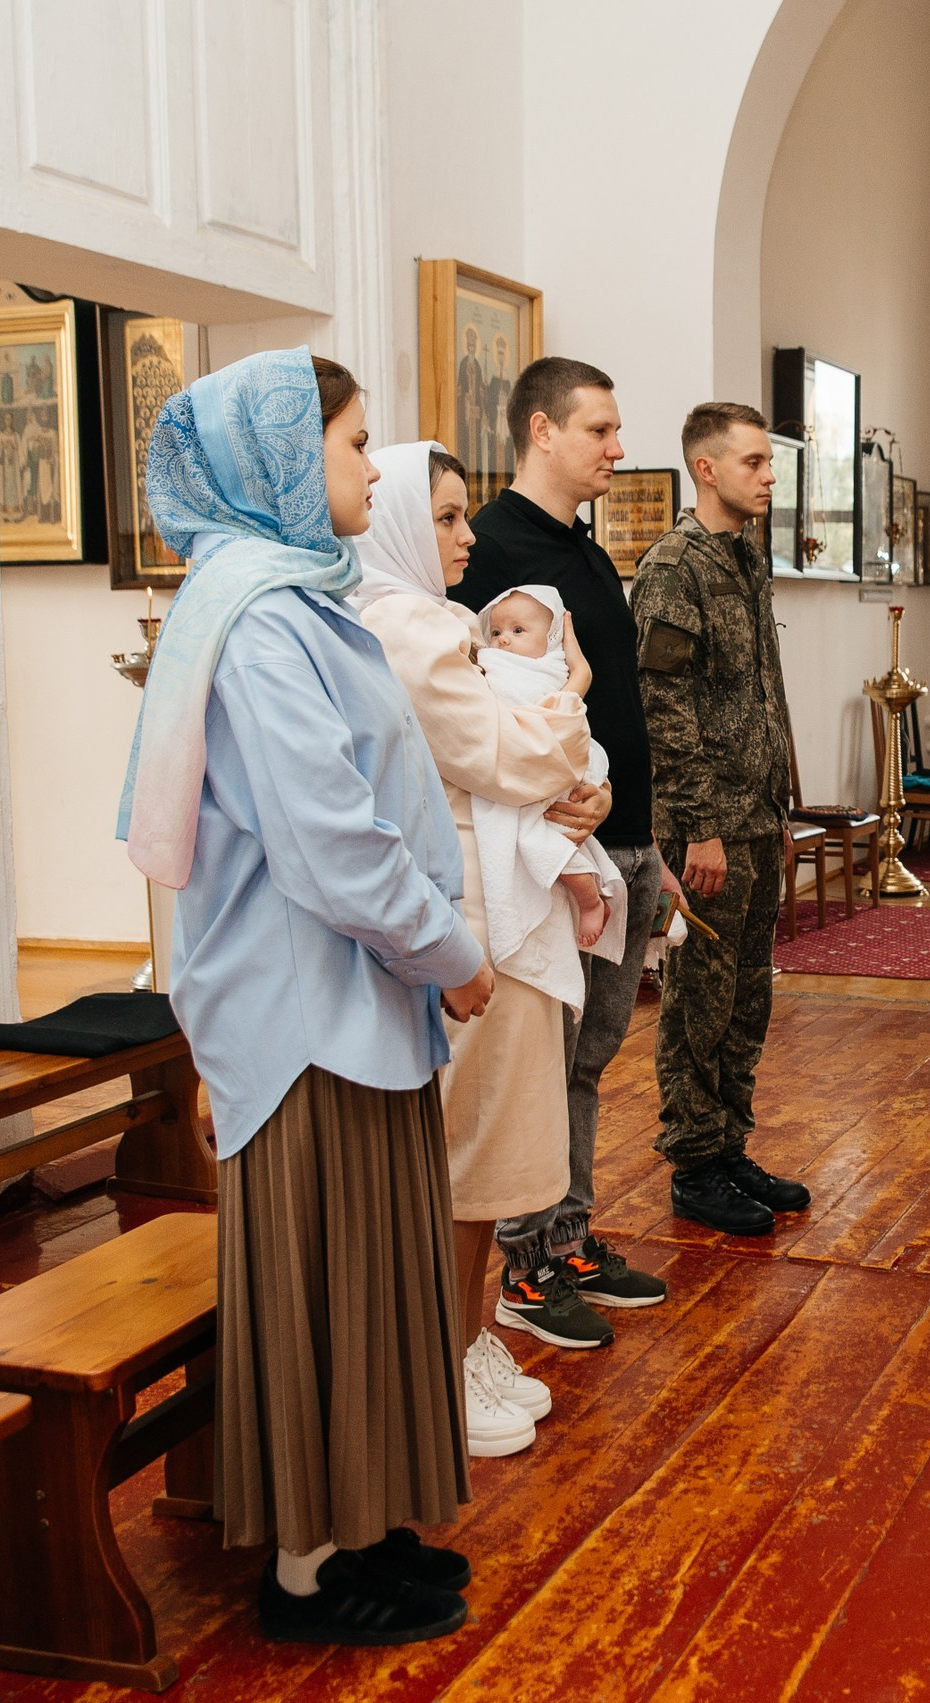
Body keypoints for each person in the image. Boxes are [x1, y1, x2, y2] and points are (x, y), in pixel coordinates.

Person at [117, 351, 485, 1644]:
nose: (369, 469)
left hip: (356, 1001)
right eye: (350, 446)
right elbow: (332, 844)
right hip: (306, 1007)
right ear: (281, 461)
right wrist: (452, 950)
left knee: (375, 1268)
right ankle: (303, 1569)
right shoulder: (262, 618)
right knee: (323, 1278)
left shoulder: (295, 598)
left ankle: (369, 1515)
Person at [349, 439, 605, 1460]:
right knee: (471, 1154)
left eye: (464, 516)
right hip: (469, 907)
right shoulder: (405, 624)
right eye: (447, 518)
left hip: (495, 897)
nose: (467, 537)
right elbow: (507, 754)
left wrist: (574, 780)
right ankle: (444, 1353)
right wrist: (570, 693)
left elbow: (533, 768)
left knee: (493, 1150)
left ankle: (469, 1336)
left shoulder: (444, 622)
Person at [460, 357, 674, 1346]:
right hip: (552, 850)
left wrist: (648, 840)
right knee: (536, 1062)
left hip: (619, 841)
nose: (617, 450)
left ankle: (568, 1234)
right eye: (600, 430)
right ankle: (523, 1263)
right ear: (542, 431)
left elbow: (606, 704)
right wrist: (565, 816)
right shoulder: (489, 549)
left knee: (587, 1059)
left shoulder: (585, 553)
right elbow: (488, 714)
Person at [632, 402, 811, 1235]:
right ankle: (694, 1162)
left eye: (769, 463)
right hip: (706, 827)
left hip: (754, 813)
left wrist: (777, 805)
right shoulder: (676, 566)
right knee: (698, 999)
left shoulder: (747, 553)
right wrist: (698, 826)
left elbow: (760, 688)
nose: (770, 476)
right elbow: (663, 706)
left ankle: (729, 1140)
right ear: (707, 469)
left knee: (747, 996)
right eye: (753, 463)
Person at [472, 586, 623, 958]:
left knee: (541, 840)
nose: (504, 640)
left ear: (552, 639)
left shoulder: (548, 672)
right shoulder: (493, 665)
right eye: (496, 632)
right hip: (532, 774)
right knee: (538, 840)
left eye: (518, 631)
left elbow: (548, 719)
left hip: (557, 773)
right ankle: (591, 891)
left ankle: (590, 898)